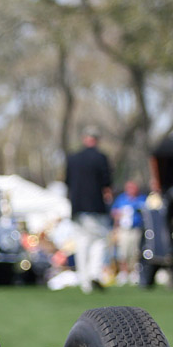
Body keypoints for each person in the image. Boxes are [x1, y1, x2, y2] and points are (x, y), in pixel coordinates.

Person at [65, 126, 113, 293]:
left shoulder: (73, 159)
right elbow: (107, 184)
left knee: (82, 243)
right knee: (99, 241)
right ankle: (94, 273)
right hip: (95, 208)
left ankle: (85, 282)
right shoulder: (101, 158)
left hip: (77, 209)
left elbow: (67, 182)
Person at [111, 180, 145, 284]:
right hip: (124, 229)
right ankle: (124, 273)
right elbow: (114, 212)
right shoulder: (121, 199)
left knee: (135, 252)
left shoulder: (141, 199)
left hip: (136, 229)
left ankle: (134, 272)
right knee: (123, 252)